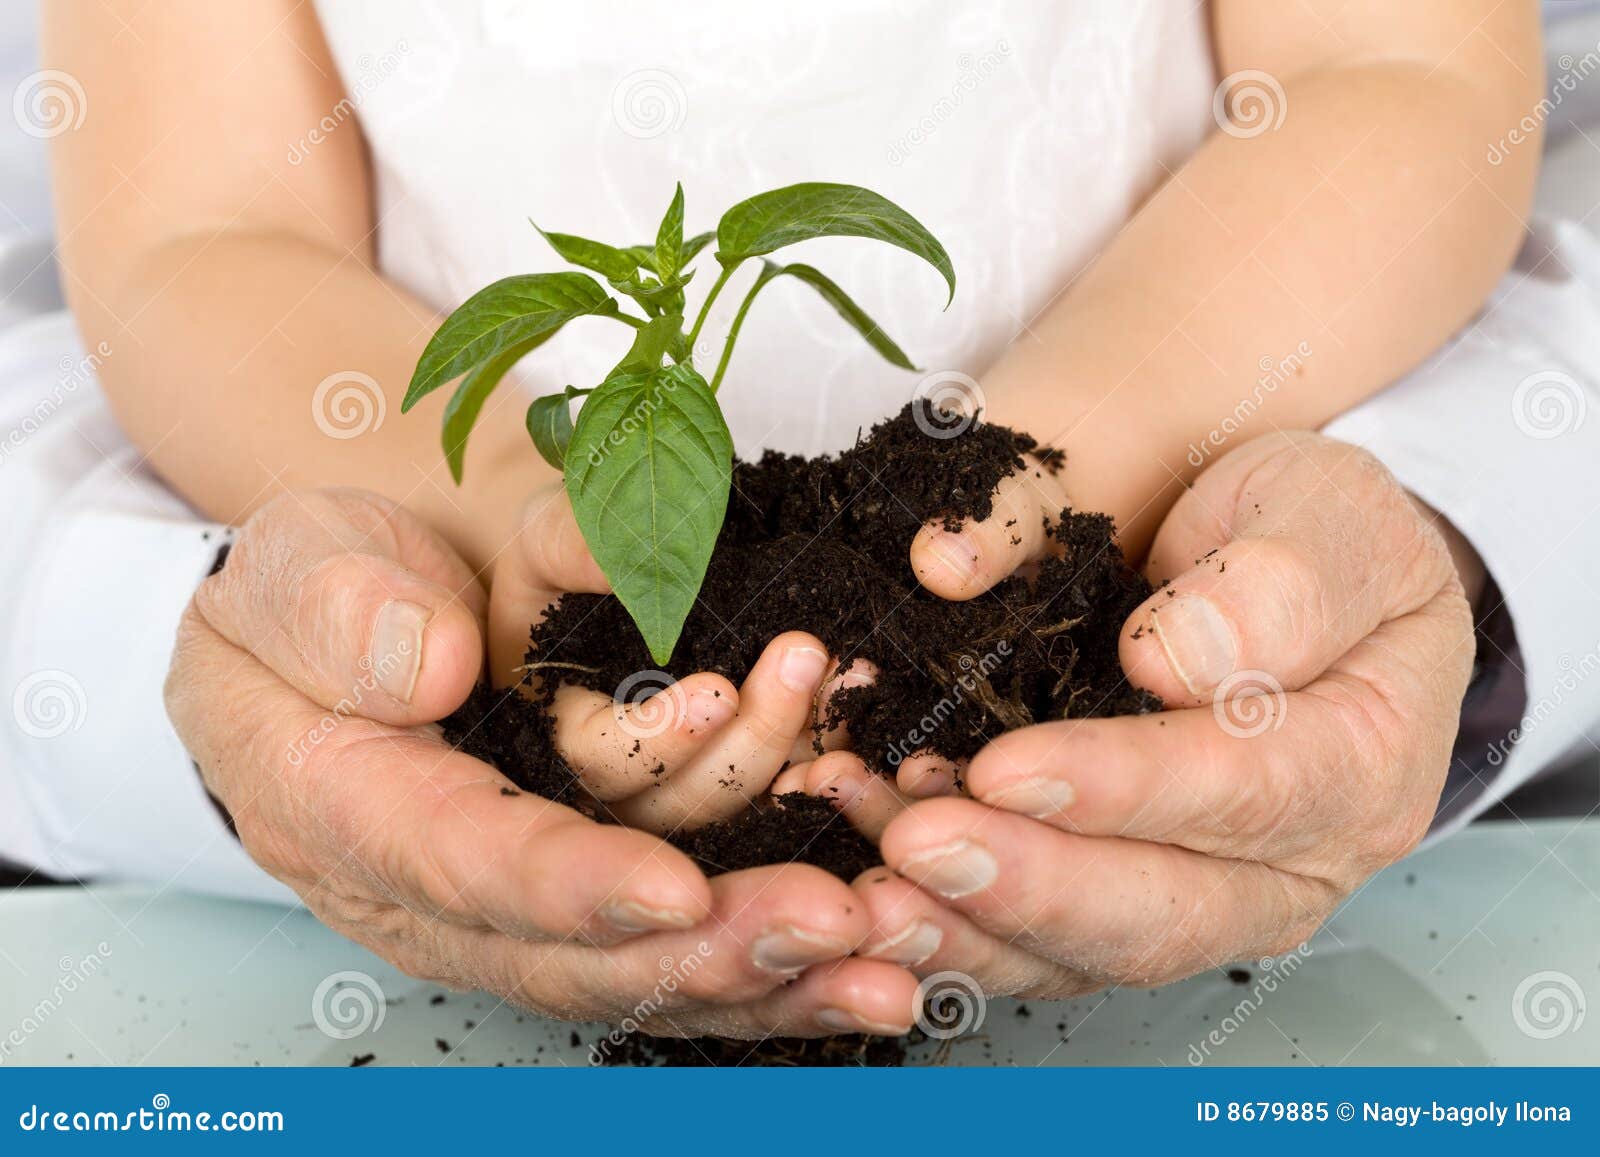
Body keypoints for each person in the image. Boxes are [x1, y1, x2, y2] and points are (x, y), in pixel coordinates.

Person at [4, 0, 1596, 1035]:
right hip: (309, 940)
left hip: (1207, 719)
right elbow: (201, 236)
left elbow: (1395, 77)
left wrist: (1070, 451)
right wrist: (498, 529)